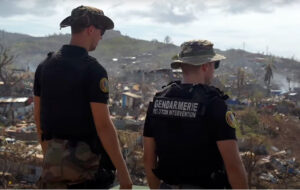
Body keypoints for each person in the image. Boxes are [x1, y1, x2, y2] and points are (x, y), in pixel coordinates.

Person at [33, 5, 132, 189]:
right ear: (91, 29)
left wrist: (50, 155)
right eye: (101, 32)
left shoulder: (44, 66)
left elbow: (38, 116)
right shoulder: (93, 70)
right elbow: (103, 126)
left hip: (52, 170)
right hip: (87, 173)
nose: (101, 37)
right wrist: (124, 175)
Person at [143, 40, 248, 189]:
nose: (214, 70)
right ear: (206, 66)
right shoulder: (214, 105)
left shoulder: (158, 101)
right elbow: (234, 166)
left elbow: (148, 159)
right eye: (215, 65)